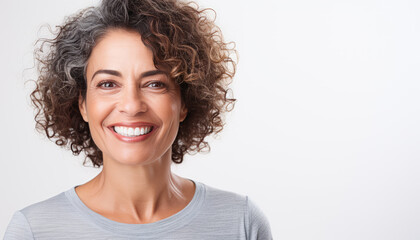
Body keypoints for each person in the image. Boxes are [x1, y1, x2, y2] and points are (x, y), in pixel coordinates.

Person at [4, 0, 272, 239]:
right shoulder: (34, 230)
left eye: (154, 84)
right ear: (82, 104)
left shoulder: (241, 222)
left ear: (184, 102)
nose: (131, 106)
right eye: (108, 84)